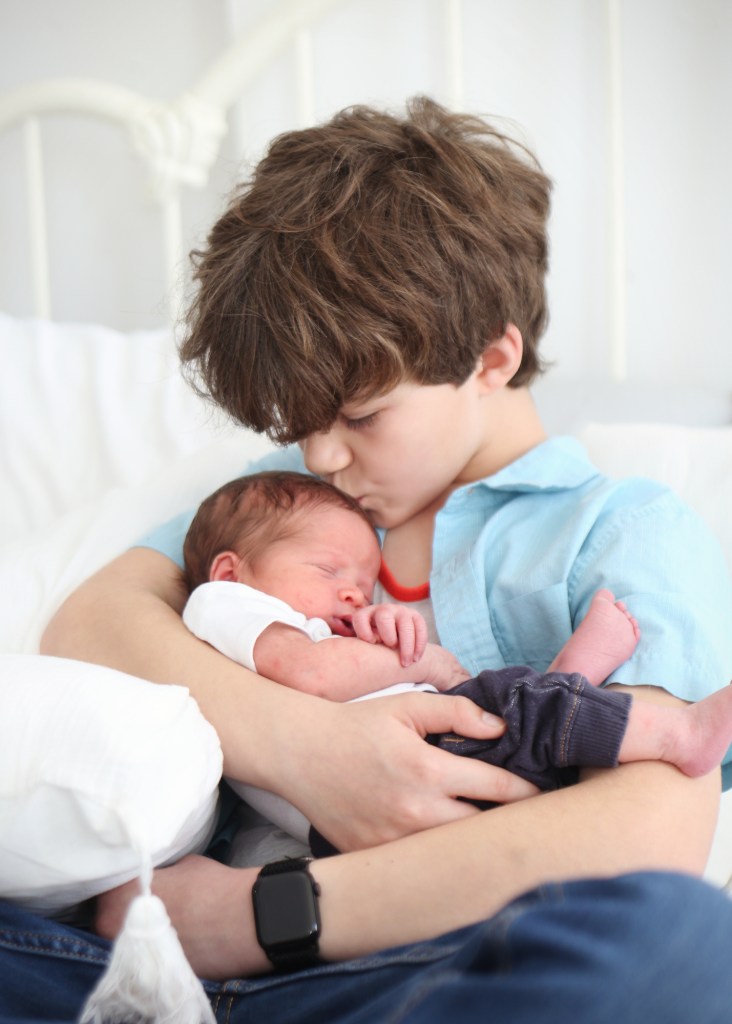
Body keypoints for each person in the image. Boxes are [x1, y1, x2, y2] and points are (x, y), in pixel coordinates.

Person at [22, 97, 732, 1021]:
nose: (321, 456)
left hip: (392, 968)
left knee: (688, 946)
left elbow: (647, 828)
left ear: (491, 356)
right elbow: (97, 620)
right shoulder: (280, 495)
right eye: (297, 425)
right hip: (135, 953)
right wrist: (312, 752)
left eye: (359, 416)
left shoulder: (620, 532)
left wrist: (259, 917)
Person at [180, 468, 732, 853]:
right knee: (508, 710)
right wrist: (423, 665)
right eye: (329, 573)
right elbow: (315, 674)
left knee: (523, 736)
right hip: (384, 787)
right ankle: (676, 733)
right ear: (231, 571)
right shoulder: (223, 603)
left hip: (416, 765)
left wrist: (383, 631)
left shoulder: (302, 622)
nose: (355, 595)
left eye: (366, 584)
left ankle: (564, 680)